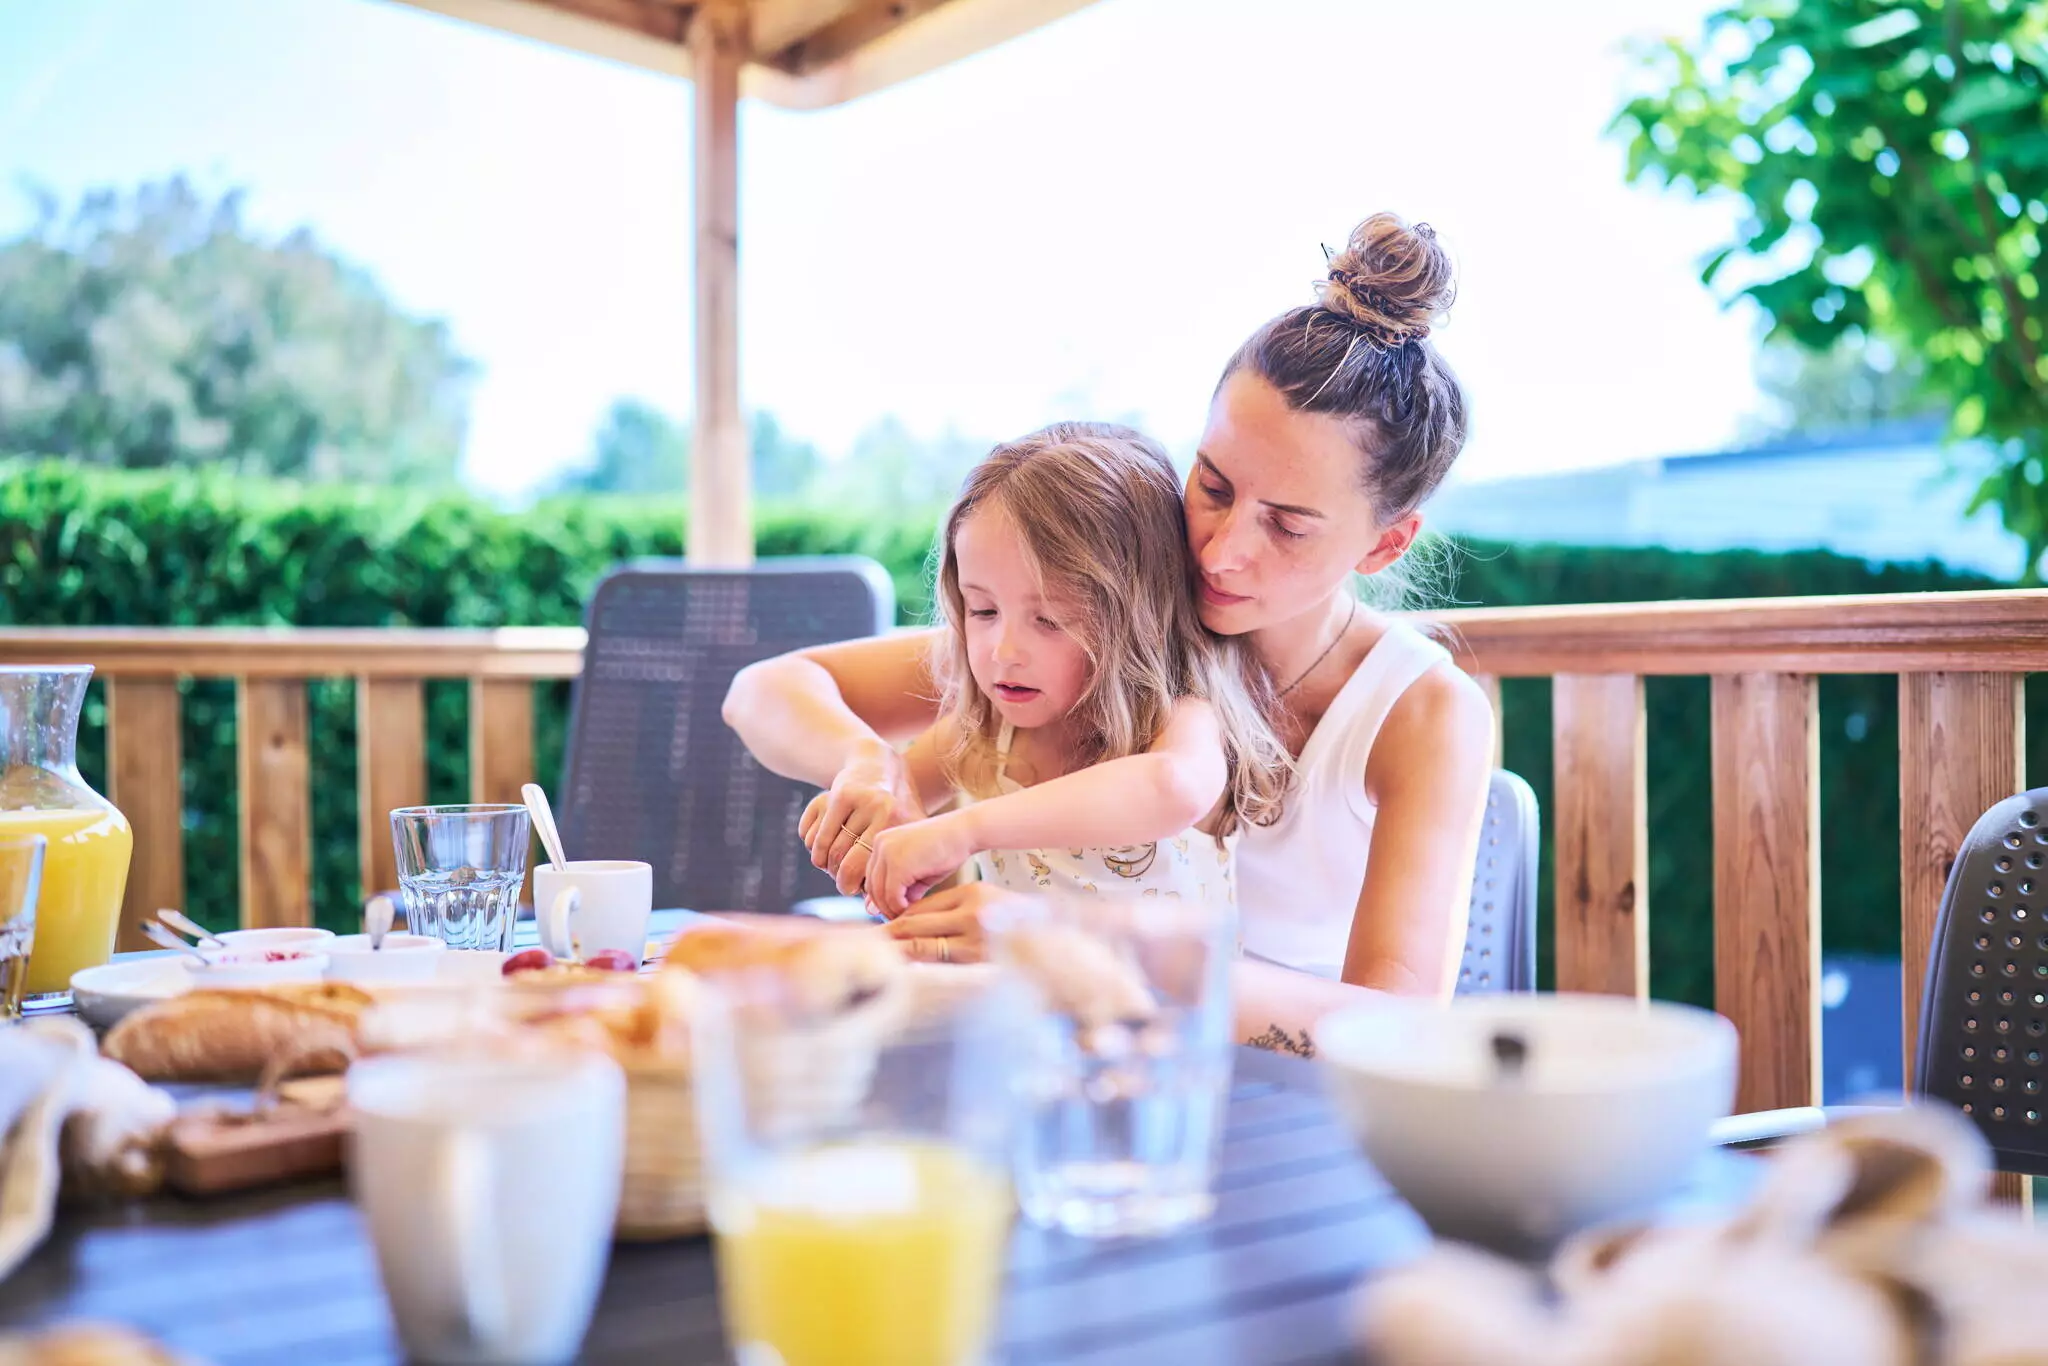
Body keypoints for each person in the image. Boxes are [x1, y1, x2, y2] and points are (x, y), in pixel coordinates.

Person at [725, 211, 1495, 1053]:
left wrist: (1064, 942)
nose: (1221, 552)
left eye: (1287, 525)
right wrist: (868, 762)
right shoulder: (1106, 634)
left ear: (1384, 544)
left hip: (1289, 1094)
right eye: (1213, 486)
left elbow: (1403, 1027)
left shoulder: (1421, 711)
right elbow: (768, 691)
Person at [808, 425, 1289, 928]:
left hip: (1161, 982)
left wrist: (965, 830)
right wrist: (856, 823)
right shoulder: (986, 737)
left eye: (1050, 620)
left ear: (1137, 619)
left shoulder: (1179, 720)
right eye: (983, 610)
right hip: (1013, 981)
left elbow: (1174, 788)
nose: (1004, 651)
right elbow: (891, 804)